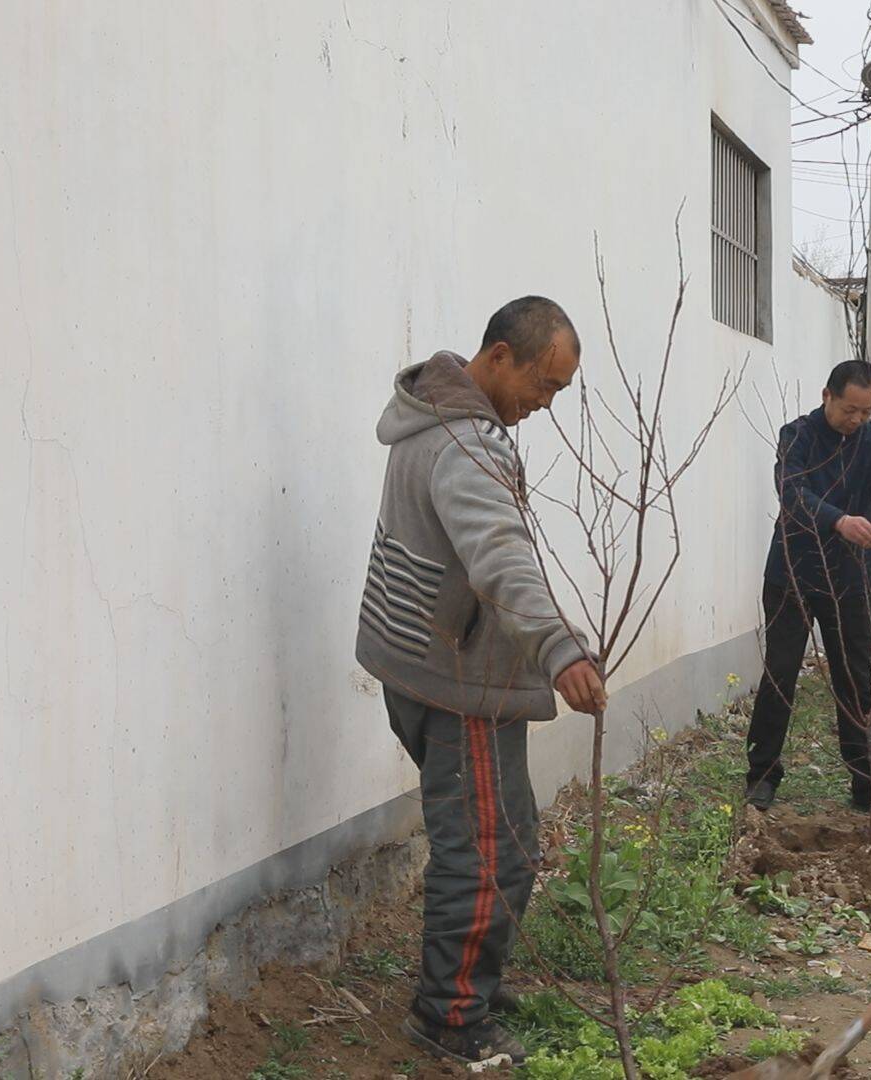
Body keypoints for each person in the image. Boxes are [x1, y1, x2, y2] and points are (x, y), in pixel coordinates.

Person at [355, 297, 608, 1066]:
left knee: (508, 840)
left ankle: (472, 984)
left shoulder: (431, 416)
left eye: (560, 390)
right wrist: (560, 650)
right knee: (488, 852)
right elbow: (499, 555)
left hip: (425, 659)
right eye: (544, 383)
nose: (547, 403)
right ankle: (451, 1017)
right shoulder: (467, 446)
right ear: (499, 357)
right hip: (458, 675)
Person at [746, 360, 871, 816]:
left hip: (852, 577)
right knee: (779, 676)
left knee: (856, 680)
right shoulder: (797, 436)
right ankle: (761, 777)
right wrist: (837, 520)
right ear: (827, 396)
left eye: (866, 411)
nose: (856, 420)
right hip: (793, 574)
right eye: (849, 410)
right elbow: (792, 492)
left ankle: (867, 784)